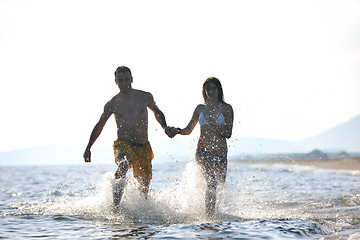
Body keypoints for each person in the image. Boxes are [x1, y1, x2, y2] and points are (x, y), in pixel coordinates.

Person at [83, 66, 177, 209]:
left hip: (143, 146)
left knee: (143, 186)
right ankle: (115, 208)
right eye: (121, 80)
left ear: (132, 79)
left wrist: (165, 128)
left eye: (127, 79)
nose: (124, 83)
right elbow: (100, 125)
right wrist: (89, 147)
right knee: (123, 163)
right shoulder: (112, 104)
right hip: (123, 144)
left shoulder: (145, 97)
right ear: (116, 82)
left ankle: (142, 211)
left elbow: (157, 112)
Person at [174, 77, 233, 218]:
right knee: (211, 183)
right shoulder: (200, 109)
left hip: (221, 156)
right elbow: (188, 129)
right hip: (203, 153)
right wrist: (176, 130)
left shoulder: (226, 108)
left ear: (219, 90)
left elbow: (228, 133)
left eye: (214, 88)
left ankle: (214, 215)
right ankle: (209, 218)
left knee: (218, 188)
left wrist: (216, 125)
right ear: (204, 91)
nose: (211, 91)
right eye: (208, 89)